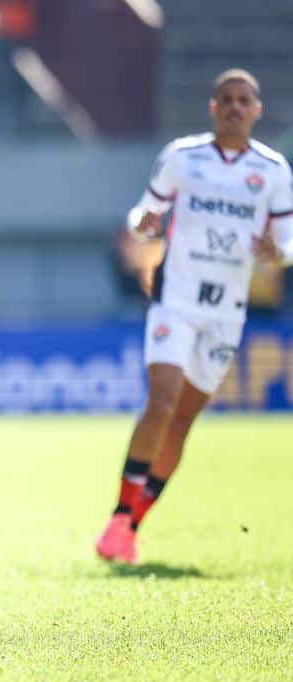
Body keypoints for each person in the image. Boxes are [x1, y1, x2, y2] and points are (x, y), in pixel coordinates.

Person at [95, 69, 293, 564]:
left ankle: (131, 527)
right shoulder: (183, 157)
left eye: (243, 100)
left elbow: (288, 242)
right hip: (176, 300)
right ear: (213, 107)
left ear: (256, 110)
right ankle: (118, 516)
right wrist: (141, 225)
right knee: (162, 402)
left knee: (183, 420)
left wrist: (278, 253)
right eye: (226, 99)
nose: (234, 107)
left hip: (226, 312)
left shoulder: (273, 170)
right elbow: (142, 214)